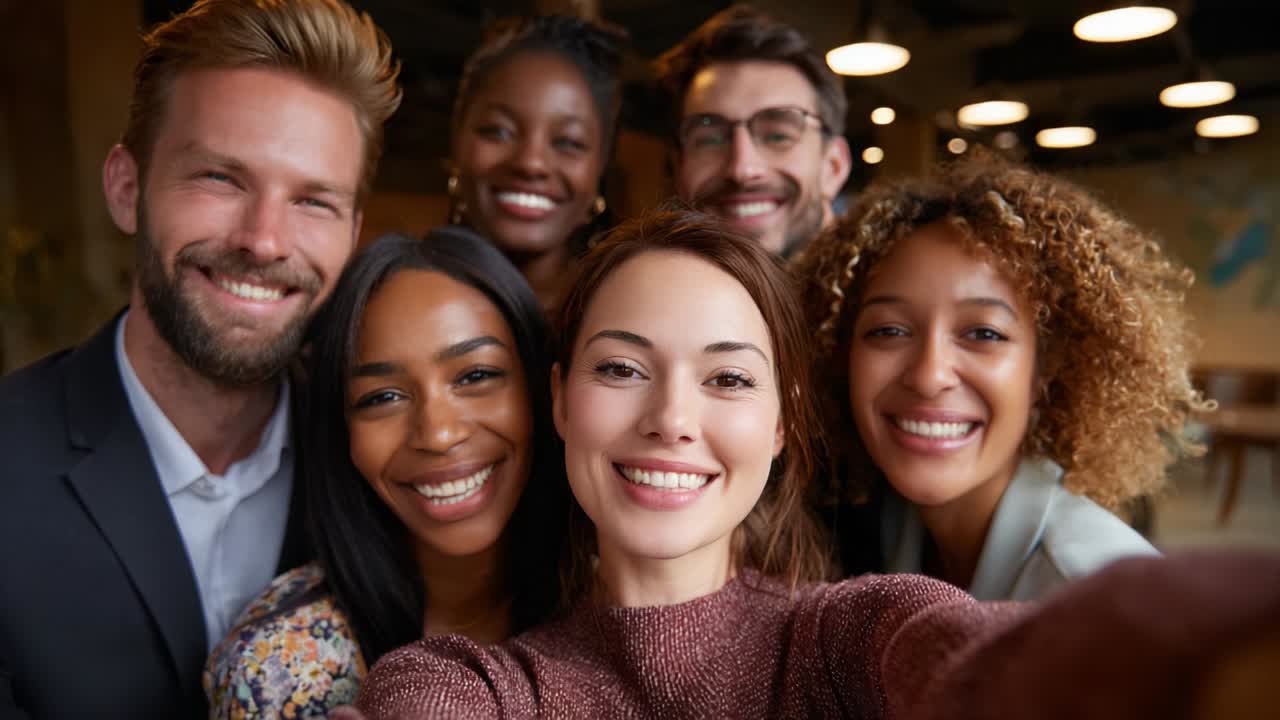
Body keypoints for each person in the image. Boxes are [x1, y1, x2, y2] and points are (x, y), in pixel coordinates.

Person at [335, 209, 1280, 720]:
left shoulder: (850, 632)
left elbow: (978, 656)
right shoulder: (484, 683)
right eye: (622, 368)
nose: (671, 419)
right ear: (557, 400)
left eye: (727, 379)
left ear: (785, 424)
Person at [0, 0, 400, 715]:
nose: (265, 240)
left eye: (314, 201)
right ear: (128, 189)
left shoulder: (387, 468)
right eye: (221, 178)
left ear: (353, 231)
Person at [793, 150, 1208, 597]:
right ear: (839, 354)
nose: (929, 376)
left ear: (1046, 369)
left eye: (983, 333)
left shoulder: (1100, 595)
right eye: (889, 330)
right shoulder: (876, 528)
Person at [204, 228, 569, 717]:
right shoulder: (278, 669)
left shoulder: (620, 606)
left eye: (476, 376)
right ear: (341, 433)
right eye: (382, 398)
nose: (438, 433)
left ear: (545, 392)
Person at [448, 14, 626, 307]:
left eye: (568, 142)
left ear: (601, 166)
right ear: (457, 139)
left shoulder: (621, 311)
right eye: (499, 132)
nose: (531, 163)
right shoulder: (393, 298)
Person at [654, 4, 851, 257]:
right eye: (710, 139)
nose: (742, 170)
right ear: (678, 166)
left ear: (833, 166)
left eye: (778, 135)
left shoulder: (896, 291)